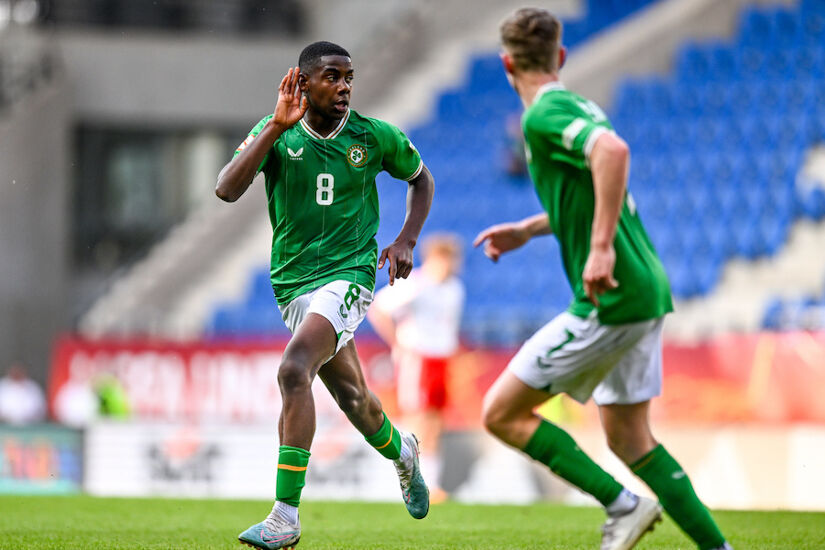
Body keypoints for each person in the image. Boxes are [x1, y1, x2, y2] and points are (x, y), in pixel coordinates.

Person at [473, 9, 732, 550]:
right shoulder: (579, 104)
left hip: (609, 298)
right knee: (629, 437)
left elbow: (612, 153)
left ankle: (624, 504)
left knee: (500, 413)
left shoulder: (543, 113)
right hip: (644, 290)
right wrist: (530, 227)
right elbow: (592, 182)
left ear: (506, 64)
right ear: (560, 57)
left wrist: (598, 248)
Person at [215, 41, 434, 550]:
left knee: (294, 370)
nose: (343, 88)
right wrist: (274, 127)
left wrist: (405, 240)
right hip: (293, 283)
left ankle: (284, 516)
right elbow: (226, 190)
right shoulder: (276, 132)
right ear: (304, 81)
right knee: (356, 400)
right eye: (332, 77)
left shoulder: (372, 135)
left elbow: (420, 180)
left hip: (351, 274)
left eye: (349, 78)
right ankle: (404, 455)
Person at [367, 232, 465, 501]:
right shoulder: (417, 284)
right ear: (434, 258)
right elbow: (379, 308)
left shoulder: (454, 289)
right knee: (417, 420)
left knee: (436, 421)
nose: (451, 265)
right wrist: (398, 341)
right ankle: (409, 479)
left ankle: (432, 482)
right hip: (419, 358)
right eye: (446, 259)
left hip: (442, 358)